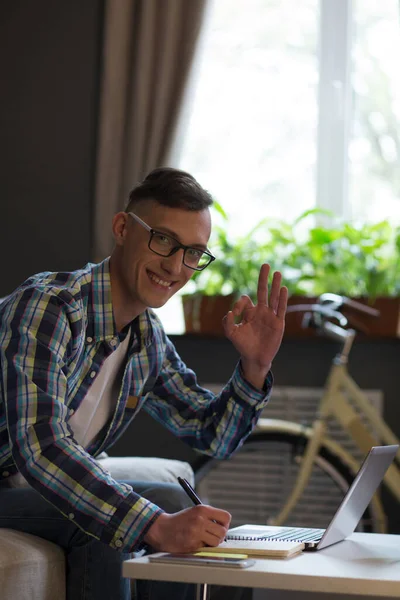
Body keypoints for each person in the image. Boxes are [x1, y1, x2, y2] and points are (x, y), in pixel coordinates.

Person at [0, 167, 288, 600]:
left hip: (30, 493)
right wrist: (152, 524)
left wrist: (254, 367)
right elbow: (41, 448)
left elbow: (212, 435)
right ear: (122, 228)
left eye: (193, 252)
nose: (175, 266)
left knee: (175, 502)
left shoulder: (146, 337)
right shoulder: (50, 308)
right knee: (105, 525)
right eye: (163, 240)